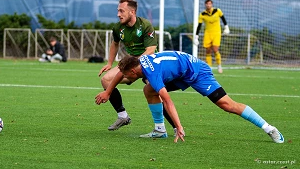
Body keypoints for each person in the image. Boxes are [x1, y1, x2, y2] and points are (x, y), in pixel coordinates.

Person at [97, 51, 284, 144]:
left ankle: (269, 128)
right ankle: (160, 130)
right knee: (148, 91)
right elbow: (121, 73)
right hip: (180, 73)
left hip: (197, 73)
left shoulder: (152, 74)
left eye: (128, 75)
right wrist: (107, 92)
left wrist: (178, 126)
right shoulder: (137, 62)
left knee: (227, 104)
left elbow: (168, 101)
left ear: (133, 70)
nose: (126, 78)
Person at [97, 0, 176, 133]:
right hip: (131, 64)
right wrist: (110, 63)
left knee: (156, 92)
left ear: (132, 12)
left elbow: (150, 49)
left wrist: (135, 64)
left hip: (149, 63)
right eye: (118, 11)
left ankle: (175, 127)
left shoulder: (145, 25)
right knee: (106, 79)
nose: (118, 14)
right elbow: (115, 43)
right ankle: (123, 116)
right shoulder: (118, 28)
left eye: (122, 11)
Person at [194, 0, 230, 73]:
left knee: (215, 49)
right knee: (208, 51)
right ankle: (209, 67)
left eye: (210, 4)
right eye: (207, 4)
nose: (208, 5)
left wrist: (226, 27)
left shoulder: (217, 11)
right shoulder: (202, 14)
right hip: (207, 33)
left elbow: (223, 19)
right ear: (205, 5)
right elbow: (199, 26)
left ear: (212, 4)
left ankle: (219, 65)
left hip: (216, 33)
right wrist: (196, 36)